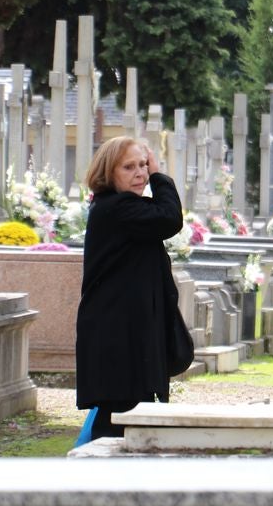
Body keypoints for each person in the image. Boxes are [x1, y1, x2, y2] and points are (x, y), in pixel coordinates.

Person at [75, 136, 189, 439]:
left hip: (128, 331)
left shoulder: (126, 207)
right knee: (118, 418)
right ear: (108, 173)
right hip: (116, 334)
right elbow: (169, 218)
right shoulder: (116, 208)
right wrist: (159, 174)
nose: (140, 173)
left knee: (128, 414)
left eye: (143, 164)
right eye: (129, 167)